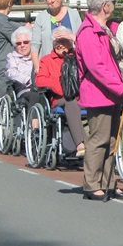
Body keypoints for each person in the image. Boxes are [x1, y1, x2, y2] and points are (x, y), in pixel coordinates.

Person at [76, 0, 123, 201]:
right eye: (113, 3)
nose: (115, 6)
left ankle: (108, 182)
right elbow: (97, 67)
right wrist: (119, 87)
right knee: (98, 140)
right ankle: (92, 184)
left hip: (112, 93)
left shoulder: (105, 28)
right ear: (105, 5)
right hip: (98, 94)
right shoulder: (88, 32)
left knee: (111, 140)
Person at [34, 27, 87, 157]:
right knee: (70, 102)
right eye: (57, 42)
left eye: (64, 41)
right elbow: (40, 80)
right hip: (60, 99)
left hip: (82, 98)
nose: (60, 45)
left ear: (71, 43)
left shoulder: (78, 57)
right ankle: (81, 144)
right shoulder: (47, 60)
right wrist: (61, 86)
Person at [30, 0, 82, 72]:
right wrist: (37, 67)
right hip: (49, 68)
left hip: (72, 67)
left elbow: (81, 40)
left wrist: (70, 36)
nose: (52, 0)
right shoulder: (41, 18)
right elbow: (35, 45)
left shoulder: (74, 15)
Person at [5, 26, 41, 109]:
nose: (22, 45)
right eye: (18, 43)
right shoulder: (11, 56)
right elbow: (11, 72)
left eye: (25, 42)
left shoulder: (37, 55)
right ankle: (33, 121)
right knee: (34, 96)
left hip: (42, 88)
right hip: (25, 90)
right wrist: (28, 80)